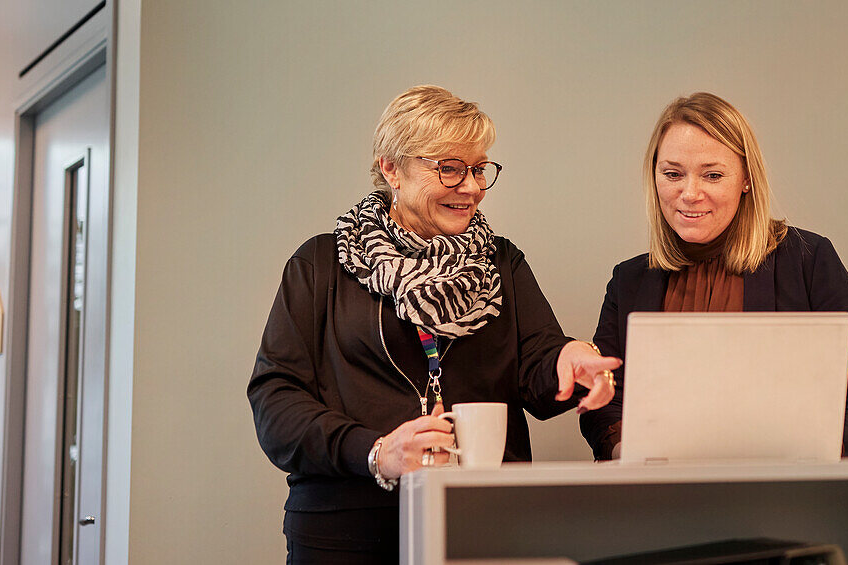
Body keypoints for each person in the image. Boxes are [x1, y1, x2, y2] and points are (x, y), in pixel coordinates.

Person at [248, 85, 620, 563]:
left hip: (484, 528)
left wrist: (570, 359)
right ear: (391, 167)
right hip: (345, 533)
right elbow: (275, 400)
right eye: (449, 167)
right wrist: (376, 452)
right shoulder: (322, 265)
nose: (471, 186)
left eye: (479, 168)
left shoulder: (500, 262)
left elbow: (538, 364)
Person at [579, 92, 848, 461]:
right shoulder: (628, 280)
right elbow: (604, 401)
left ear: (746, 179)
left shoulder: (808, 259)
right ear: (655, 177)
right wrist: (626, 453)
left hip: (785, 499)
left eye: (712, 175)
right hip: (659, 501)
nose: (690, 193)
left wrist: (813, 457)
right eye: (673, 174)